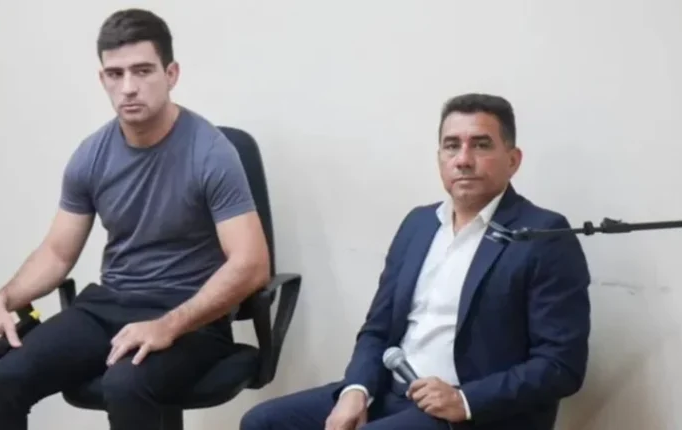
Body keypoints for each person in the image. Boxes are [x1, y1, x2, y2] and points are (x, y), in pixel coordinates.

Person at [0, 8, 270, 430]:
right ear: (103, 79)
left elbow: (252, 264)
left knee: (126, 383)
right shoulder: (91, 155)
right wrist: (1, 302)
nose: (128, 87)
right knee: (9, 375)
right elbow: (57, 253)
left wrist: (168, 325)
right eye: (115, 74)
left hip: (191, 317)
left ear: (171, 74)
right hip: (110, 305)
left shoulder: (211, 152)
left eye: (142, 71)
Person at [240, 93, 591, 430]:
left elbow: (561, 365)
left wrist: (464, 400)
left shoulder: (542, 235)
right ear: (439, 157)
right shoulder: (419, 224)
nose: (463, 159)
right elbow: (377, 329)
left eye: (481, 145)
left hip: (471, 412)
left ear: (513, 160)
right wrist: (356, 390)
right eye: (451, 145)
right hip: (390, 392)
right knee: (263, 422)